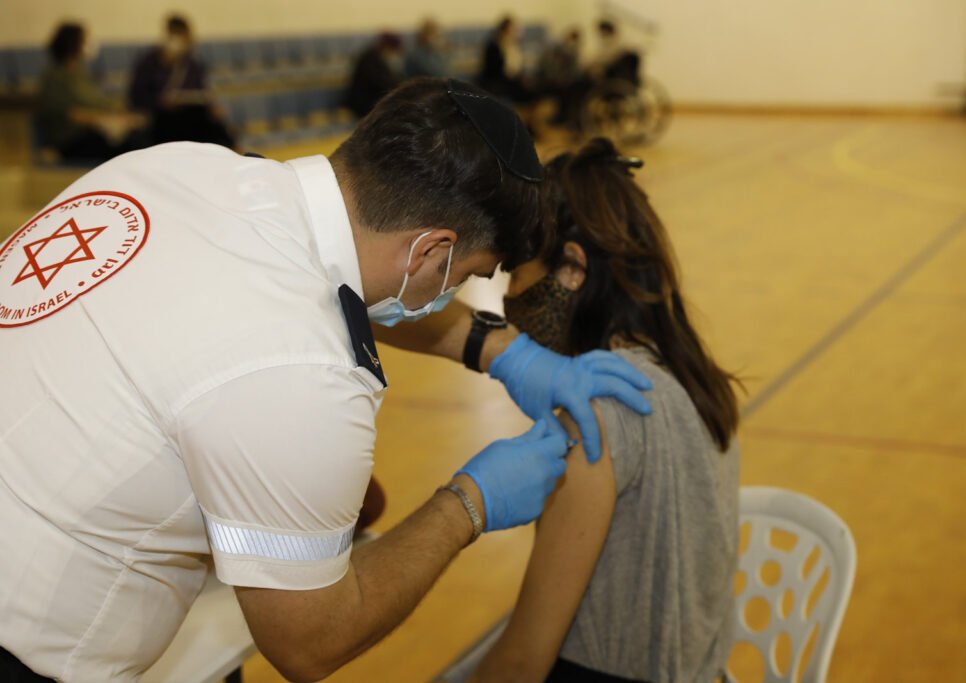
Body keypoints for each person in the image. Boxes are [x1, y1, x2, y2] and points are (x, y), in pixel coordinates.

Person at [0, 78, 652, 682]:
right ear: (430, 250)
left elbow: (320, 283)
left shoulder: (177, 167)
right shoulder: (306, 377)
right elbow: (309, 639)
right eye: (461, 275)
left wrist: (500, 351)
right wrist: (468, 502)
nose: (455, 292)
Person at [470, 138, 742, 683]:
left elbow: (523, 662)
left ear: (571, 269)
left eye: (515, 277)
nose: (507, 302)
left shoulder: (597, 411)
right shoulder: (695, 374)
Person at [35, 22, 148, 161]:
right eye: (85, 40)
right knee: (129, 148)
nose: (89, 44)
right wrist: (104, 121)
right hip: (70, 139)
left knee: (141, 136)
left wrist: (121, 116)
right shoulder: (54, 77)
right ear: (74, 44)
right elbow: (70, 114)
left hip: (95, 131)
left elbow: (98, 102)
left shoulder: (81, 73)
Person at [128, 14, 235, 148]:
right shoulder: (149, 62)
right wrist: (160, 101)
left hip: (192, 116)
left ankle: (231, 150)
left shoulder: (192, 63)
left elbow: (202, 91)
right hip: (162, 119)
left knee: (211, 120)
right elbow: (136, 97)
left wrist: (212, 106)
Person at [478, 15, 535, 105]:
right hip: (496, 81)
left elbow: (517, 67)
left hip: (509, 80)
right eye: (513, 29)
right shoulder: (494, 45)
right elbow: (496, 70)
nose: (517, 32)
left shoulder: (513, 45)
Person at [347, 32, 405, 118]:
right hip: (363, 103)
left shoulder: (377, 57)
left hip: (372, 99)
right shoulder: (370, 59)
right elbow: (381, 82)